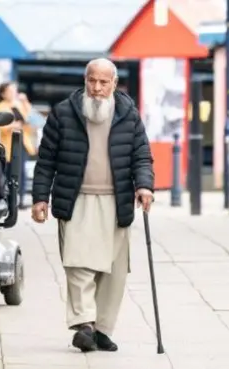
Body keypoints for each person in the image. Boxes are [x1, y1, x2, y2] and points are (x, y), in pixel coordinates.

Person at [31, 58, 154, 352]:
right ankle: (84, 324)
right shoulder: (63, 113)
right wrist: (39, 198)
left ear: (114, 83)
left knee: (113, 271)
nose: (97, 88)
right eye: (92, 81)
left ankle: (101, 329)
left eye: (103, 82)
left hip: (117, 201)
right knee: (79, 263)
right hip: (76, 199)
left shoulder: (128, 114)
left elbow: (141, 155)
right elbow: (46, 161)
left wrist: (145, 185)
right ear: (85, 81)